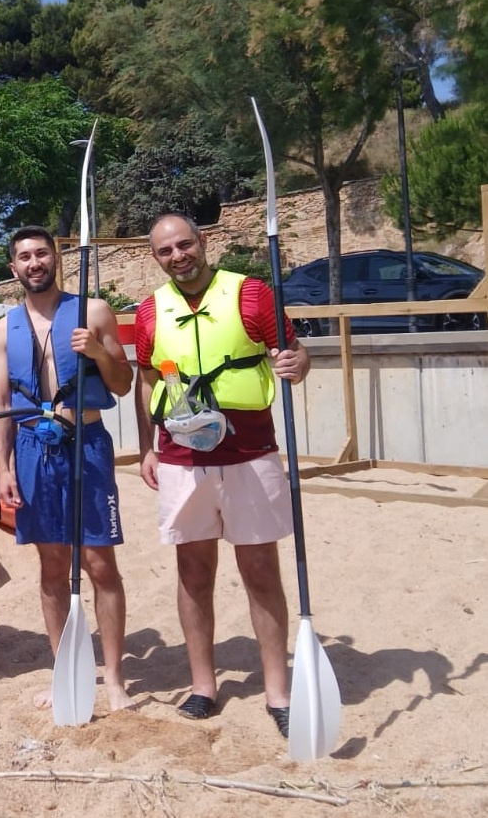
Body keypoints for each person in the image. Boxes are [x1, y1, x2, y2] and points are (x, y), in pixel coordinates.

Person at [134, 213, 310, 737]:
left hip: (249, 451)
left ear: (203, 242)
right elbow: (147, 380)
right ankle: (203, 686)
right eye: (166, 251)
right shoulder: (149, 311)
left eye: (185, 244)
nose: (178, 256)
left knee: (259, 569)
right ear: (156, 257)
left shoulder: (252, 295)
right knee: (193, 571)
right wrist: (147, 446)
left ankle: (277, 691)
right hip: (181, 456)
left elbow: (294, 354)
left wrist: (299, 364)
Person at [0, 225, 135, 712]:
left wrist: (98, 352)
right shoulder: (1, 329)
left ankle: (113, 677)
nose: (35, 263)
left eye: (42, 254)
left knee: (99, 564)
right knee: (52, 566)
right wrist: (4, 468)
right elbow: (1, 402)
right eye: (25, 257)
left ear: (58, 258)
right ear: (14, 268)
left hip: (85, 443)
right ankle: (64, 670)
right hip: (32, 447)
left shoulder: (93, 312)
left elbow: (122, 384)